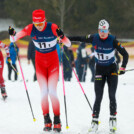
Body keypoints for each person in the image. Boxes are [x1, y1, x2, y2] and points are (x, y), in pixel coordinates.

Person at [8, 9, 71, 132]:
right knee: (43, 93)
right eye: (37, 24)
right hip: (40, 64)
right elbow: (13, 39)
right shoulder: (30, 28)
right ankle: (47, 120)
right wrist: (12, 34)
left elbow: (68, 44)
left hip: (53, 63)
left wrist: (62, 36)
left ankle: (57, 120)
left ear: (45, 20)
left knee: (52, 92)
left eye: (41, 23)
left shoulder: (52, 27)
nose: (39, 27)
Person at [68, 19, 129, 133]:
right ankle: (95, 121)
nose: (102, 32)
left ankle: (112, 119)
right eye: (101, 30)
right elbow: (79, 38)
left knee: (111, 95)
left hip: (112, 70)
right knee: (98, 97)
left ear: (108, 30)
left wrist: (123, 67)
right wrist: (66, 38)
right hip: (99, 70)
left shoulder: (113, 40)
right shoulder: (94, 38)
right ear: (98, 30)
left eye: (105, 30)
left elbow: (125, 54)